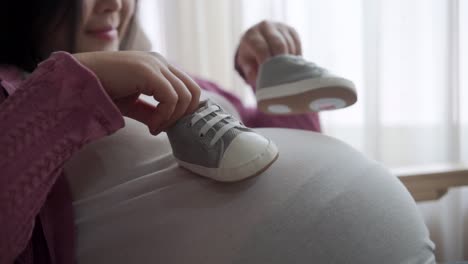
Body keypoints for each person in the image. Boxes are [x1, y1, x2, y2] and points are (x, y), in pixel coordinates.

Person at [0, 0, 435, 263]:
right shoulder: (15, 94)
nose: (115, 3)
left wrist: (267, 74)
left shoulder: (170, 75)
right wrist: (62, 90)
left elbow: (279, 152)